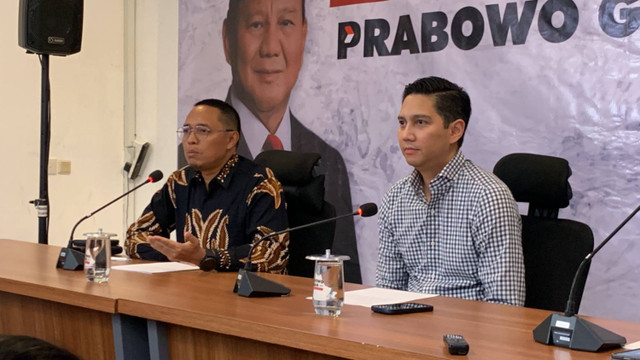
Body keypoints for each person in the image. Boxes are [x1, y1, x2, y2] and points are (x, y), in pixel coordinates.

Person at [216, 0, 362, 282]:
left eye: (286, 23)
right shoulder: (201, 161)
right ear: (227, 39)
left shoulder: (328, 159)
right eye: (256, 24)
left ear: (304, 35)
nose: (271, 48)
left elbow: (349, 276)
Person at [376, 77, 525, 306]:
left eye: (421, 123)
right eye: (402, 123)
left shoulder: (488, 196)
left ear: (455, 131)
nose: (406, 134)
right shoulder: (396, 197)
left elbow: (504, 305)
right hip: (407, 332)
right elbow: (388, 292)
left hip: (468, 336)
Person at [126, 99, 289, 273]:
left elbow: (272, 254)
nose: (191, 140)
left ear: (231, 139)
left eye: (202, 131)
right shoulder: (180, 181)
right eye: (186, 131)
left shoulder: (260, 183)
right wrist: (175, 254)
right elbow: (135, 237)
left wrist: (207, 257)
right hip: (192, 288)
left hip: (244, 293)